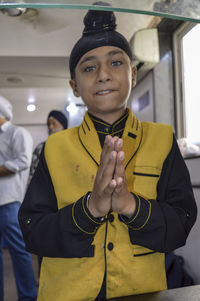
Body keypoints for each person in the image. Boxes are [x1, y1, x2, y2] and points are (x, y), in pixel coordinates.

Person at [18, 6, 197, 301]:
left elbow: (181, 224)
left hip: (141, 291)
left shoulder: (162, 139)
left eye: (115, 63)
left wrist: (130, 205)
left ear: (134, 74)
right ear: (75, 86)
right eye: (89, 67)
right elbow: (32, 231)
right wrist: (90, 209)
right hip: (67, 292)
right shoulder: (54, 148)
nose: (103, 75)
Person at [0, 96, 37, 301]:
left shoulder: (18, 132)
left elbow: (22, 161)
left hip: (10, 202)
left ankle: (28, 297)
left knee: (19, 252)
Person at [29, 109, 68, 180]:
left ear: (63, 126)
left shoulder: (70, 147)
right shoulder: (41, 147)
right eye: (48, 124)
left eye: (54, 124)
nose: (50, 127)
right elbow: (32, 171)